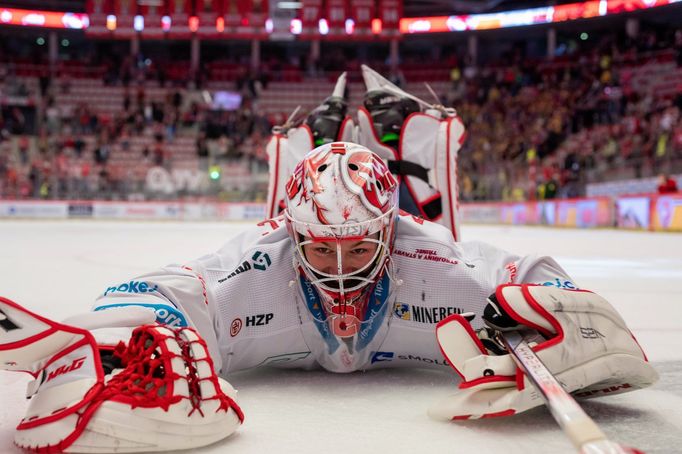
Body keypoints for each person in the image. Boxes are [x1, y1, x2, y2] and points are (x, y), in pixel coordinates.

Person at [0, 142, 658, 453]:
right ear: (291, 233)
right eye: (320, 247)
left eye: (356, 246)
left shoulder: (436, 256)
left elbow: (527, 270)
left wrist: (547, 306)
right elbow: (168, 290)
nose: (340, 267)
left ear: (390, 230)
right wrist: (132, 330)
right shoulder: (252, 263)